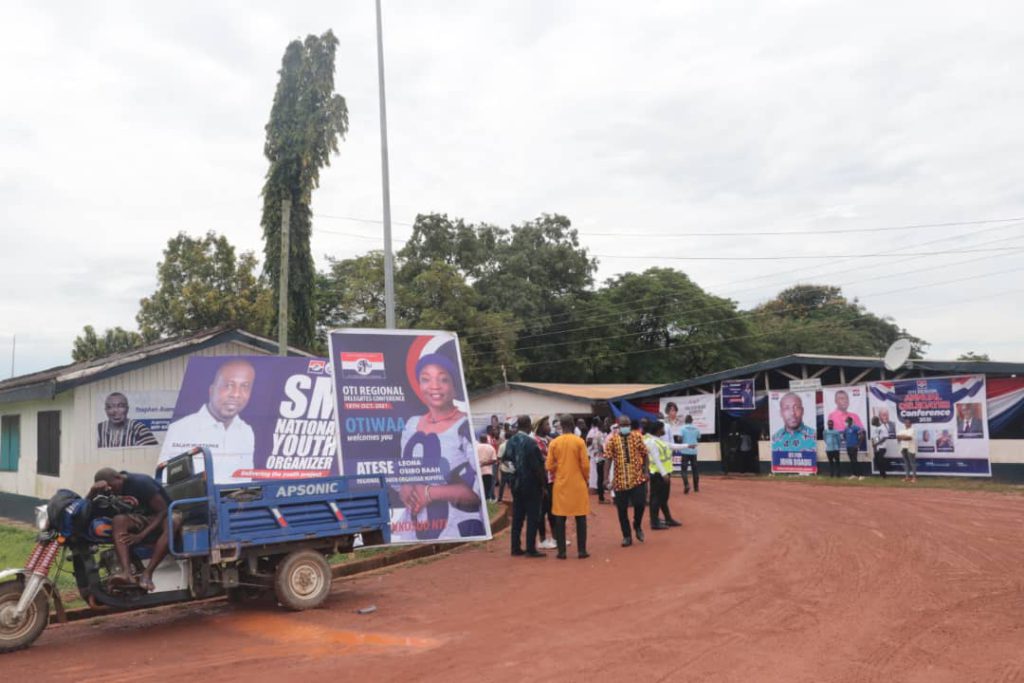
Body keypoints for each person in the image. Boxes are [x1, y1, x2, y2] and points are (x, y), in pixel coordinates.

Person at [396, 354, 482, 541]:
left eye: (443, 379)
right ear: (419, 386)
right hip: (413, 529)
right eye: (426, 379)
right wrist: (405, 487)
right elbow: (405, 470)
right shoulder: (412, 424)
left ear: (454, 387)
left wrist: (430, 493)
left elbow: (478, 492)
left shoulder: (464, 427)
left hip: (458, 529)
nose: (434, 386)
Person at [160, 358, 256, 483]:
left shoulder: (246, 431)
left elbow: (246, 479)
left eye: (245, 387)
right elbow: (164, 480)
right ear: (211, 390)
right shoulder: (179, 429)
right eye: (229, 385)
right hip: (196, 502)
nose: (236, 394)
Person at [89, 467, 179, 592]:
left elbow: (163, 510)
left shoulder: (141, 482)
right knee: (118, 520)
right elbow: (89, 508)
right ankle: (127, 573)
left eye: (112, 486)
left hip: (164, 514)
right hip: (145, 517)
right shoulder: (111, 489)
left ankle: (147, 574)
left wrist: (141, 535)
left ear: (119, 477)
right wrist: (93, 492)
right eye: (108, 488)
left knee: (173, 521)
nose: (112, 491)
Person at [545, 414, 591, 559]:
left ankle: (562, 551)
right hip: (578, 483)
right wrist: (586, 479)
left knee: (559, 517)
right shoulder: (579, 442)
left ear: (560, 426)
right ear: (572, 424)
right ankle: (582, 551)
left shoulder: (554, 443)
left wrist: (559, 468)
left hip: (561, 483)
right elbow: (585, 464)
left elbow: (548, 465)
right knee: (580, 516)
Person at [603, 414, 649, 547]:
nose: (625, 427)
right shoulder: (612, 440)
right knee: (622, 510)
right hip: (620, 480)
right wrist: (606, 478)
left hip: (637, 478)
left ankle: (637, 524)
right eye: (623, 425)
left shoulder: (636, 437)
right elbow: (608, 459)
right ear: (618, 426)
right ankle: (627, 536)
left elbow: (645, 454)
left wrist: (646, 471)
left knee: (640, 504)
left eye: (627, 425)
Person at [506, 415, 546, 557]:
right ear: (529, 425)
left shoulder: (510, 441)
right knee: (533, 516)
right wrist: (543, 484)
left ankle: (515, 547)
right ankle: (530, 548)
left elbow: (505, 461)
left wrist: (512, 477)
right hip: (531, 485)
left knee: (517, 517)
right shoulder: (531, 443)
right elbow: (538, 467)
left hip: (516, 485)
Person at [644, 421, 680, 529]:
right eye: (663, 428)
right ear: (658, 430)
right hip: (658, 473)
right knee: (657, 498)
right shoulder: (652, 441)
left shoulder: (657, 440)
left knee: (662, 498)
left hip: (661, 472)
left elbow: (671, 445)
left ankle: (667, 519)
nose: (665, 430)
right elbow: (656, 459)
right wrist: (664, 474)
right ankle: (654, 522)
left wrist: (688, 445)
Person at [532, 417, 558, 550]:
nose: (549, 427)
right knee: (542, 511)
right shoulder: (535, 441)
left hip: (551, 479)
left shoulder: (549, 440)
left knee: (552, 510)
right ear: (540, 427)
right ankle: (542, 539)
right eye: (547, 424)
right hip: (541, 480)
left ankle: (555, 537)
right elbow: (543, 459)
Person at [678, 415, 702, 493]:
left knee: (684, 470)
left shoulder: (682, 428)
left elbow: (679, 438)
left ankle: (686, 485)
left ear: (685, 420)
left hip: (685, 451)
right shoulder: (697, 428)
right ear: (692, 421)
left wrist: (682, 441)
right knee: (695, 470)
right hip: (694, 451)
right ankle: (696, 487)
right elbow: (699, 438)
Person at [586, 417, 607, 503]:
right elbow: (603, 447)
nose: (605, 425)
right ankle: (601, 497)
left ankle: (600, 496)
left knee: (599, 476)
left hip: (597, 457)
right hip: (600, 458)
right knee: (600, 477)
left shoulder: (596, 433)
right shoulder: (599, 435)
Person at [476, 433, 497, 502]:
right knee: (487, 489)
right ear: (486, 440)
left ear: (480, 439)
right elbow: (494, 460)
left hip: (477, 472)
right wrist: (485, 463)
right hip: (487, 472)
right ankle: (487, 501)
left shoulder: (475, 447)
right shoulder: (491, 448)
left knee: (479, 488)